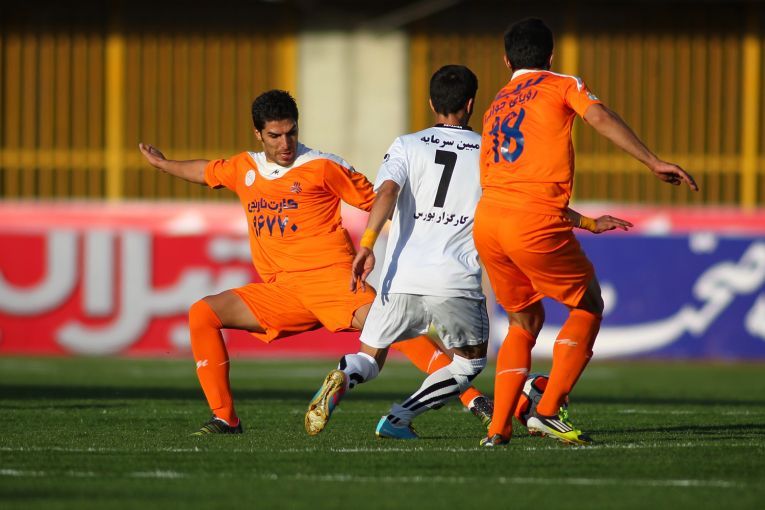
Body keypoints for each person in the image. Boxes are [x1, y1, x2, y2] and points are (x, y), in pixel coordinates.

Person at [138, 89, 491, 435]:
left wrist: (412, 234)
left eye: (291, 132)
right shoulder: (244, 168)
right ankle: (225, 418)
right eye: (275, 135)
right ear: (258, 134)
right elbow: (206, 171)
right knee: (203, 313)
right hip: (283, 292)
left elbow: (381, 201)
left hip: (334, 284)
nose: (285, 143)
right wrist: (164, 164)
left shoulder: (323, 166)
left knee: (398, 332)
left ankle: (474, 399)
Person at [303, 65, 626, 439]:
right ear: (471, 103)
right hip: (454, 280)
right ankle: (399, 418)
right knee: (468, 364)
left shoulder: (406, 144)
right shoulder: (490, 151)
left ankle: (344, 375)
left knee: (369, 357)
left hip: (400, 277)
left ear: (431, 102)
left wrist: (367, 244)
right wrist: (587, 223)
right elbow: (525, 203)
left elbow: (387, 192)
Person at [475, 18, 698, 446]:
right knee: (589, 304)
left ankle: (497, 428)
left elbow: (516, 184)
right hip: (531, 221)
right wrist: (652, 161)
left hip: (488, 221)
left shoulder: (497, 103)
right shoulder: (562, 84)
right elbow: (599, 115)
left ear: (506, 60)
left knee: (523, 320)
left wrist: (588, 222)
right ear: (551, 55)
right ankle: (546, 410)